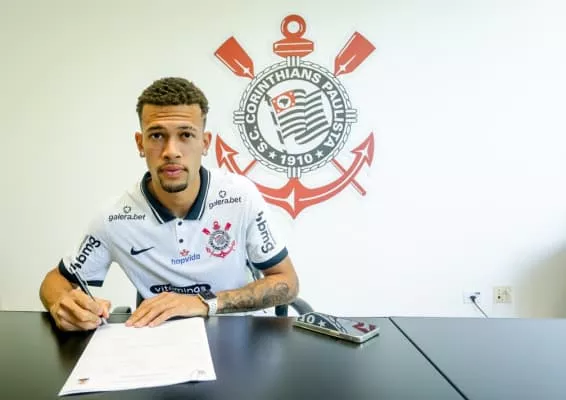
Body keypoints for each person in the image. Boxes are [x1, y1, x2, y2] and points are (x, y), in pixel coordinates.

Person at [39, 77, 299, 331]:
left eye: (186, 134)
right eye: (156, 135)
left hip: (240, 335)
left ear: (205, 143)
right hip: (160, 343)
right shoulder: (114, 217)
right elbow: (56, 280)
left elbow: (287, 282)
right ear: (140, 143)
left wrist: (203, 303)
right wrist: (63, 303)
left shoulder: (240, 197)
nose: (171, 151)